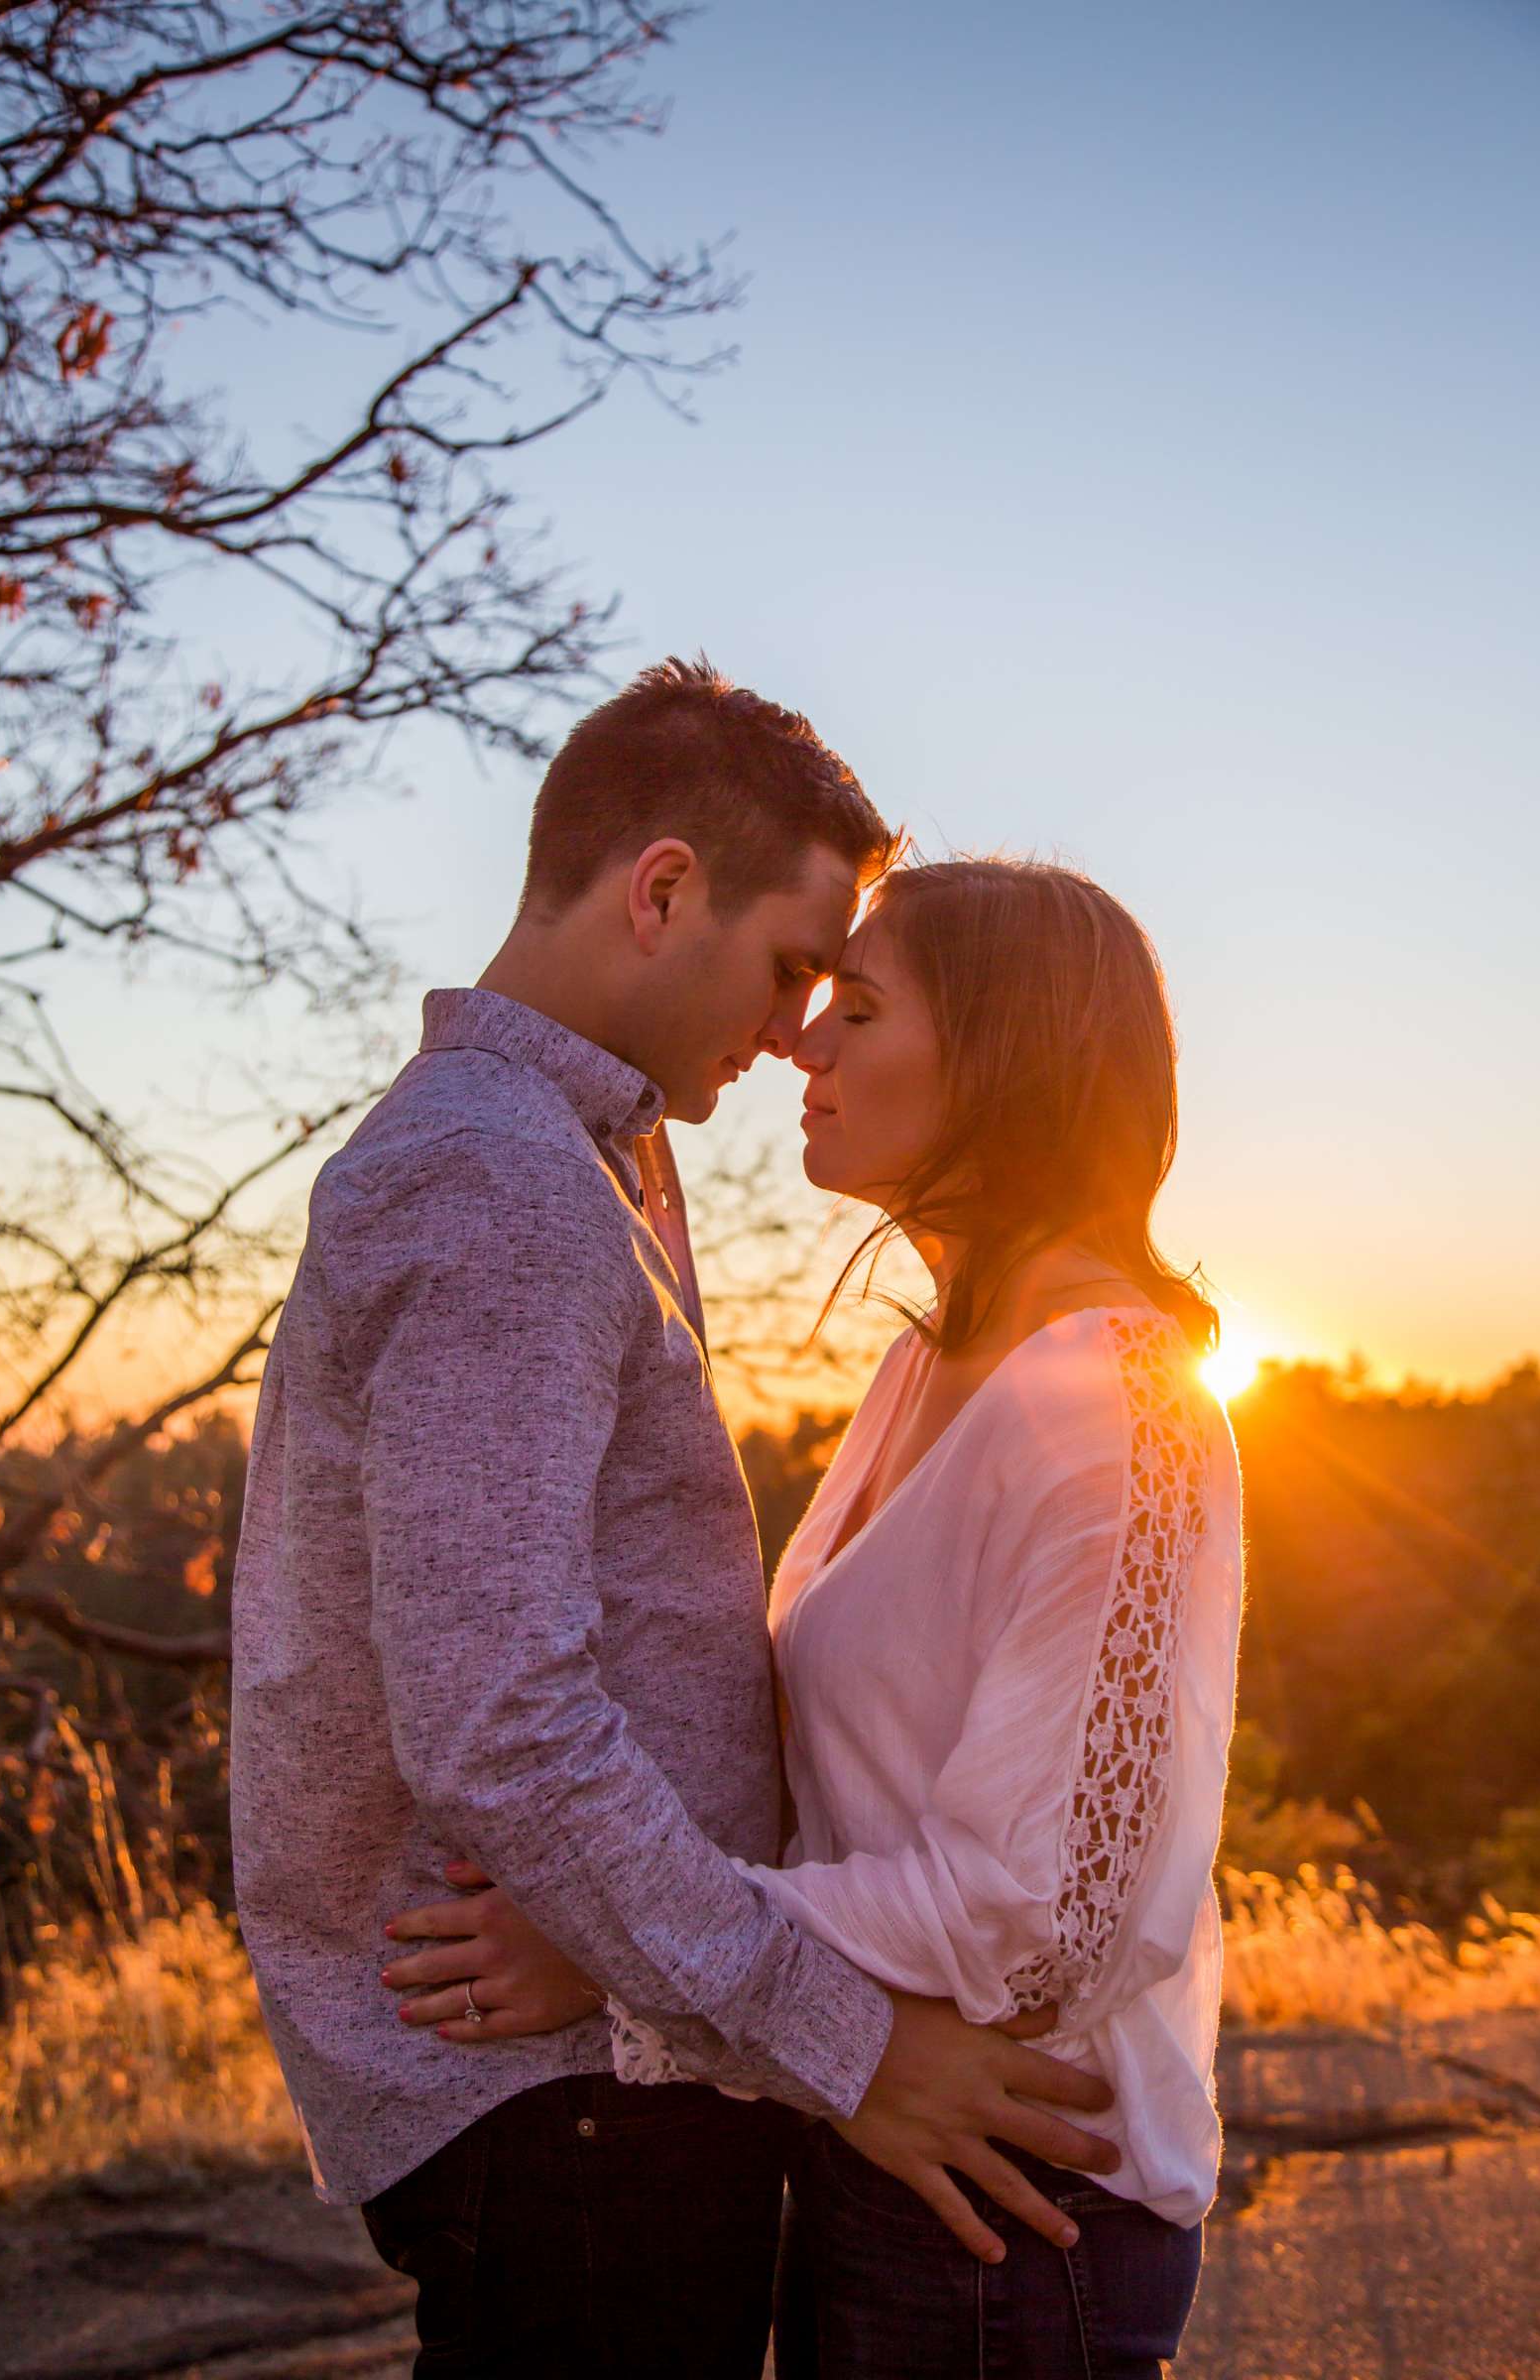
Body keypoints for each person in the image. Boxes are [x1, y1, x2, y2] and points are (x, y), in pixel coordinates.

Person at [230, 667, 1120, 2380]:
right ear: (659, 890)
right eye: (795, 966)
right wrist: (844, 2039)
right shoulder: (496, 1172)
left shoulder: (585, 1152)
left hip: (613, 2064)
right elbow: (501, 1715)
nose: (801, 1029)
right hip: (560, 2121)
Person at [384, 856, 1245, 2379]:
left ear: (1008, 1053)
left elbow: (1040, 1921)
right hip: (873, 2144)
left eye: (857, 1005)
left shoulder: (1124, 1413)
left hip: (1018, 2210)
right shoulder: (930, 1369)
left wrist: (621, 1951)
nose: (803, 1042)